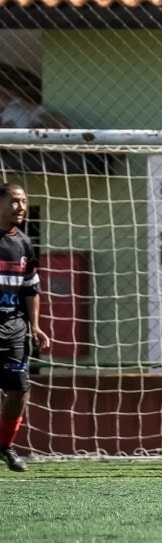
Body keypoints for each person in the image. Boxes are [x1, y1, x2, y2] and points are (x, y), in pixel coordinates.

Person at [0, 183, 51, 472]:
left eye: (23, 201)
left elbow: (31, 288)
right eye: (14, 201)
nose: (20, 207)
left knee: (19, 390)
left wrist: (36, 326)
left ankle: (5, 446)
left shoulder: (24, 243)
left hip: (14, 328)